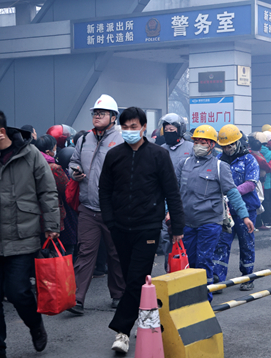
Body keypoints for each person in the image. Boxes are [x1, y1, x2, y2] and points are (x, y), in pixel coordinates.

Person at [0, 110, 60, 357]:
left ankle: (35, 325)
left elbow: (47, 191)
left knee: (18, 292)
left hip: (22, 235)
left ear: (1, 131)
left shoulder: (30, 153)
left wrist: (52, 224)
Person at [99, 107, 185, 353]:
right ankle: (143, 317)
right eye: (125, 127)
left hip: (147, 227)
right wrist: (109, 220)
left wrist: (177, 225)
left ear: (144, 127)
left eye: (134, 127)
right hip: (119, 227)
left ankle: (122, 331)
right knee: (131, 278)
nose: (129, 131)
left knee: (137, 278)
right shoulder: (114, 155)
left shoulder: (158, 155)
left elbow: (172, 192)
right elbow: (104, 190)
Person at [175, 125, 254, 300]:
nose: (199, 145)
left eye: (203, 142)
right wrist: (169, 212)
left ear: (212, 145)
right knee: (191, 261)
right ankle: (192, 298)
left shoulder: (220, 167)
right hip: (187, 222)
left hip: (210, 223)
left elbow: (233, 193)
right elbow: (174, 191)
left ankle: (205, 299)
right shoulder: (184, 164)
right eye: (196, 141)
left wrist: (244, 216)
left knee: (204, 260)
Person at [68, 94, 125, 315]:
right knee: (85, 253)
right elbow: (73, 161)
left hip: (114, 211)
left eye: (102, 113)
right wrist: (74, 172)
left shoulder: (122, 140)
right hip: (88, 208)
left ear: (113, 117)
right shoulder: (84, 139)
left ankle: (119, 295)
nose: (97, 116)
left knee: (116, 254)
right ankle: (76, 299)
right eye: (95, 113)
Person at [212, 125, 260, 291]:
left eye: (230, 145)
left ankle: (247, 276)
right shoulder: (218, 159)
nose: (227, 149)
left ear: (238, 142)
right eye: (224, 146)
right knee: (221, 243)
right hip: (225, 210)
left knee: (246, 243)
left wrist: (232, 193)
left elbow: (251, 184)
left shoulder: (249, 159)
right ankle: (218, 278)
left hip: (246, 209)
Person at [159, 113, 193, 270]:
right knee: (166, 237)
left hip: (186, 200)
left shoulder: (191, 148)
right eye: (166, 130)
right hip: (164, 201)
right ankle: (170, 269)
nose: (169, 133)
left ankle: (188, 269)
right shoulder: (160, 150)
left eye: (172, 130)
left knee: (185, 236)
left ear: (180, 130)